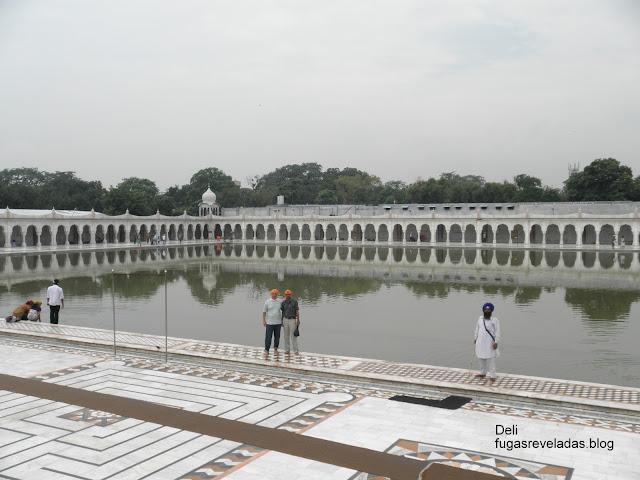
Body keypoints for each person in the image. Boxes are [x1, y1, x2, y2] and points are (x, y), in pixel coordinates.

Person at [474, 302, 501, 382]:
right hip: (480, 341)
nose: (487, 311)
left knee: (491, 358)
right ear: (483, 310)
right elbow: (477, 329)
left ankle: (492, 375)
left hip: (490, 342)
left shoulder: (495, 320)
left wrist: (496, 342)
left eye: (488, 310)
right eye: (485, 309)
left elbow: (497, 331)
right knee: (480, 357)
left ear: (491, 311)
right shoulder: (480, 319)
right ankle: (483, 373)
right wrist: (475, 337)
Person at [280, 289, 300, 355]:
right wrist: (281, 320)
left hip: (292, 320)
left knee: (293, 336)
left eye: (289, 294)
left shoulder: (294, 302)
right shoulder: (283, 303)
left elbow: (297, 311)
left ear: (291, 295)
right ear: (285, 295)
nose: (288, 295)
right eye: (287, 294)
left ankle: (296, 350)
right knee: (286, 336)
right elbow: (283, 312)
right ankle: (287, 350)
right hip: (285, 319)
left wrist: (298, 320)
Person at [262, 289, 282, 355]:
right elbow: (264, 312)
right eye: (273, 293)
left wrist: (282, 320)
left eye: (275, 293)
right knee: (268, 336)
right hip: (269, 322)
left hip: (278, 322)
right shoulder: (267, 302)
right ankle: (266, 350)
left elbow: (283, 311)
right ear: (271, 294)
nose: (274, 295)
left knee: (277, 336)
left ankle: (275, 349)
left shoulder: (280, 301)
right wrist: (264, 321)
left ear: (277, 294)